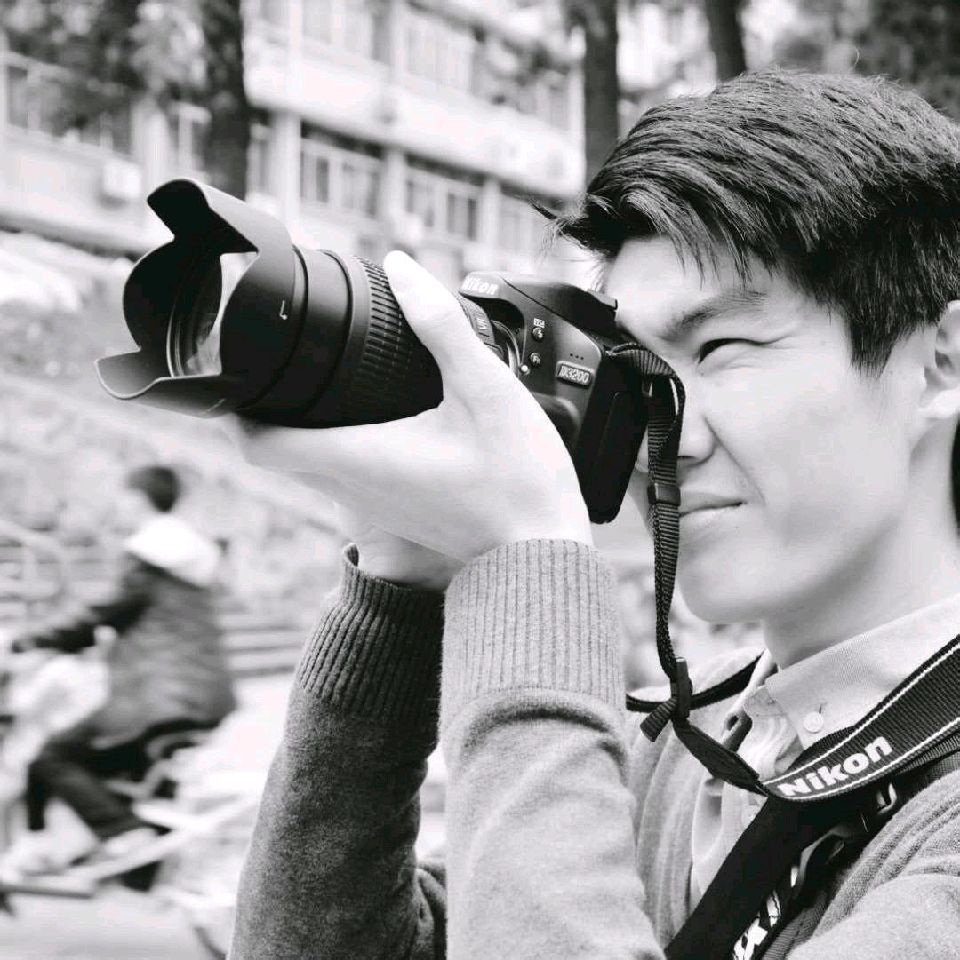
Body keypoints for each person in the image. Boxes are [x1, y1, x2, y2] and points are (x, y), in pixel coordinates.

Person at [227, 71, 960, 959]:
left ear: (941, 362)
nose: (665, 439)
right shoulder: (680, 747)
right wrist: (400, 592)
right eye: (640, 377)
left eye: (722, 348)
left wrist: (527, 569)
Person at [0, 464, 236, 878]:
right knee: (116, 769)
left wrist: (23, 642)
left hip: (159, 699)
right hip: (205, 698)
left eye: (123, 497)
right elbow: (116, 624)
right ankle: (138, 868)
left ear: (138, 500)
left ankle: (119, 835)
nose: (118, 506)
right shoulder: (187, 564)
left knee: (51, 757)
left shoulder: (150, 558)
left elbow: (97, 615)